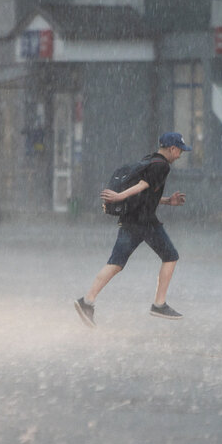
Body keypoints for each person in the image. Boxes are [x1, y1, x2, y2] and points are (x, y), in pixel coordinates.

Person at [74, 132, 191, 327]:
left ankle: (87, 301)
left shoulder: (149, 160)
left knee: (116, 263)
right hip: (144, 221)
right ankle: (159, 304)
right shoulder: (162, 166)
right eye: (179, 151)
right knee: (170, 256)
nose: (179, 156)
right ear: (172, 148)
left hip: (131, 219)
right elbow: (142, 185)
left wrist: (167, 201)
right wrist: (119, 196)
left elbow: (145, 193)